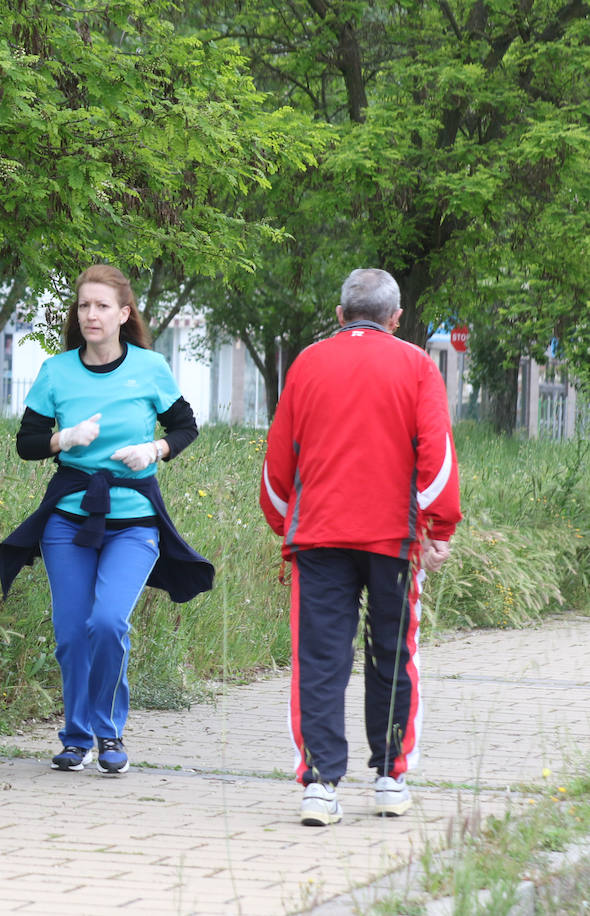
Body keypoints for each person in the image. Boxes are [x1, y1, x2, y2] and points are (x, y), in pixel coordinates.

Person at [259, 268, 462, 827]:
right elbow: (437, 457)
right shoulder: (418, 367)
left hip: (319, 536)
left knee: (320, 660)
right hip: (394, 539)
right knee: (394, 655)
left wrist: (284, 524)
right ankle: (391, 778)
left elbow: (280, 461)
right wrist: (438, 527)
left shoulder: (306, 363)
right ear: (397, 319)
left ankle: (320, 786)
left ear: (341, 312)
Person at [0, 264, 213, 776]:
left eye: (101, 306)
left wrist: (154, 449)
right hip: (69, 519)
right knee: (73, 630)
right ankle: (76, 738)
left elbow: (186, 426)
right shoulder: (56, 371)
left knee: (109, 621)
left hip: (134, 518)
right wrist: (63, 440)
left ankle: (109, 729)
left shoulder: (149, 367)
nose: (90, 314)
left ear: (124, 313)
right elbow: (27, 444)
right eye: (83, 305)